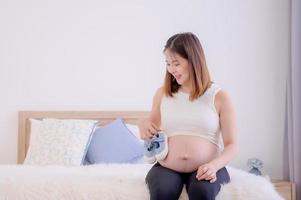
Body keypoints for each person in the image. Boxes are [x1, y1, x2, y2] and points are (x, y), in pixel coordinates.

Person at [138, 32, 239, 200]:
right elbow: (151, 132)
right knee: (162, 190)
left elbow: (232, 145)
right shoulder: (162, 94)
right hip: (167, 168)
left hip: (208, 167)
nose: (171, 69)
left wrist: (213, 166)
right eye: (168, 64)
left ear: (193, 60)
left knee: (202, 191)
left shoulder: (219, 97)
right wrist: (143, 124)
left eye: (176, 63)